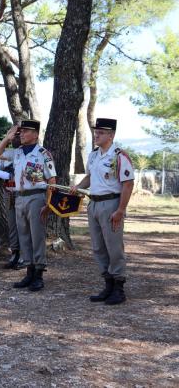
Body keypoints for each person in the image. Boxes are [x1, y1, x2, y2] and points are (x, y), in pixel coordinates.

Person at [71, 118, 134, 305]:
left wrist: (121, 210)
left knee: (114, 247)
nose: (96, 135)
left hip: (111, 204)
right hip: (94, 204)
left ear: (111, 135)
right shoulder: (93, 155)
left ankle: (119, 288)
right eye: (95, 132)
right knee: (98, 247)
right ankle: (108, 284)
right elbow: (90, 178)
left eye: (101, 133)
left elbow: (128, 184)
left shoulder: (119, 156)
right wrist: (78, 186)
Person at [0, 120, 56, 292]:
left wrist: (49, 204)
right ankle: (29, 271)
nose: (21, 134)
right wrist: (7, 138)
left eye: (26, 131)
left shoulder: (44, 154)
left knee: (37, 236)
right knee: (24, 236)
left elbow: (51, 180)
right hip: (19, 197)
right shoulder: (18, 152)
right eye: (20, 131)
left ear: (35, 134)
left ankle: (39, 274)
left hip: (37, 197)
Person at [0, 131, 23, 269]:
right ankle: (15, 253)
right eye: (14, 136)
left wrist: (10, 174)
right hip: (8, 193)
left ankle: (24, 255)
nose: (16, 138)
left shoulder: (25, 153)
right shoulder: (8, 153)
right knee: (12, 225)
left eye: (18, 135)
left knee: (23, 226)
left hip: (21, 193)